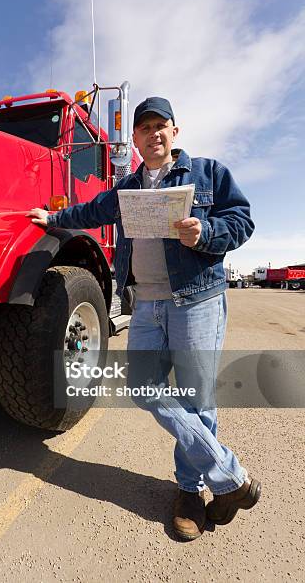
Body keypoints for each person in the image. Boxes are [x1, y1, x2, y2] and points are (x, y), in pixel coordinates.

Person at [26, 96, 261, 541]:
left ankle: (191, 492)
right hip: (148, 306)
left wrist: (206, 232)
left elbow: (243, 221)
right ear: (134, 138)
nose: (154, 133)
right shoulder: (128, 188)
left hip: (197, 301)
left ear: (175, 132)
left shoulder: (208, 173)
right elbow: (91, 211)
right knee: (141, 387)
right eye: (145, 127)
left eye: (161, 126)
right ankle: (231, 479)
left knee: (196, 399)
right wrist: (52, 217)